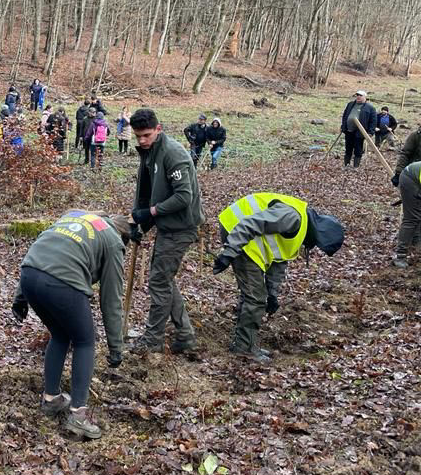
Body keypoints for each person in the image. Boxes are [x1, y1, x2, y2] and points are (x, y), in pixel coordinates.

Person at [11, 210, 127, 440]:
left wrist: (20, 296)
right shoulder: (114, 241)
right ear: (123, 236)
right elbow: (111, 300)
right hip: (62, 282)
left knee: (60, 334)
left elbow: (44, 251)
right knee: (85, 341)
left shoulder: (74, 215)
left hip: (29, 275)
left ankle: (51, 399)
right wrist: (116, 347)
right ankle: (78, 416)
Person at [213, 195, 344, 363]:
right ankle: (244, 348)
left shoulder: (301, 229)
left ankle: (246, 343)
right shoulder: (292, 217)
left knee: (257, 296)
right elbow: (251, 223)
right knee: (255, 298)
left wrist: (272, 294)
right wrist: (230, 252)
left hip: (245, 237)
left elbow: (279, 260)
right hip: (237, 230)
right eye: (317, 244)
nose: (313, 247)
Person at [129, 108, 204, 356]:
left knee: (159, 282)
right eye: (138, 136)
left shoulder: (173, 154)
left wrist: (150, 213)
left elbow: (183, 197)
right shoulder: (150, 153)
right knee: (164, 280)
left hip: (181, 227)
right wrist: (140, 223)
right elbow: (148, 190)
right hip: (167, 225)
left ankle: (153, 340)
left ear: (158, 129)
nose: (142, 140)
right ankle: (185, 336)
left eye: (147, 135)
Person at [340, 89, 377, 168]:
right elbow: (345, 116)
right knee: (348, 149)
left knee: (358, 149)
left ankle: (356, 166)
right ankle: (346, 164)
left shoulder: (370, 108)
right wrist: (343, 126)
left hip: (360, 132)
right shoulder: (350, 104)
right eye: (357, 95)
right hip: (348, 131)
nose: (358, 97)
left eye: (360, 95)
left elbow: (373, 121)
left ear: (365, 97)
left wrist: (370, 132)